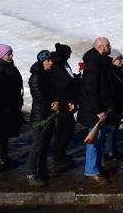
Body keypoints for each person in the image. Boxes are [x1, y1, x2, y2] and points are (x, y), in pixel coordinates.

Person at [78, 37, 117, 184]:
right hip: (94, 110)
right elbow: (90, 89)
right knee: (93, 141)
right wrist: (99, 110)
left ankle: (97, 167)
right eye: (108, 45)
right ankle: (91, 171)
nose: (110, 47)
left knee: (98, 140)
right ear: (100, 47)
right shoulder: (94, 63)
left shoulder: (99, 61)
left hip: (99, 108)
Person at [0, 44, 24, 171]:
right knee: (0, 133)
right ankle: (0, 159)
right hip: (1, 106)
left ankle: (4, 157)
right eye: (9, 54)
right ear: (2, 55)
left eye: (11, 53)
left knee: (5, 133)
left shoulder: (8, 65)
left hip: (10, 105)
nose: (11, 56)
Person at [26, 50, 59, 187]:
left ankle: (42, 169)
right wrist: (51, 104)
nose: (51, 63)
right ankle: (31, 173)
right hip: (40, 116)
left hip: (50, 113)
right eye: (48, 61)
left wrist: (56, 101)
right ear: (42, 62)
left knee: (45, 144)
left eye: (51, 60)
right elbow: (38, 96)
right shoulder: (36, 77)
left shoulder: (50, 73)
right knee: (37, 145)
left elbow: (55, 91)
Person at [50, 43, 79, 174]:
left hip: (67, 101)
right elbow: (64, 83)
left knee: (68, 128)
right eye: (68, 53)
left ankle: (61, 153)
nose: (70, 56)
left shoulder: (63, 64)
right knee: (64, 129)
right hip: (62, 103)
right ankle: (58, 156)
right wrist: (75, 82)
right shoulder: (57, 66)